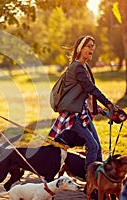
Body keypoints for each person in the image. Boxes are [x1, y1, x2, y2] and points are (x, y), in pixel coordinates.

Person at [49, 35, 119, 171]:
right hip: (73, 115)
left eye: (93, 46)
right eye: (89, 46)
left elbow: (84, 93)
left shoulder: (84, 66)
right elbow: (90, 88)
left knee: (97, 146)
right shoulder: (77, 67)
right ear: (80, 48)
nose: (92, 49)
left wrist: (97, 108)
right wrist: (109, 104)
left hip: (82, 112)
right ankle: (90, 182)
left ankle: (99, 179)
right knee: (92, 146)